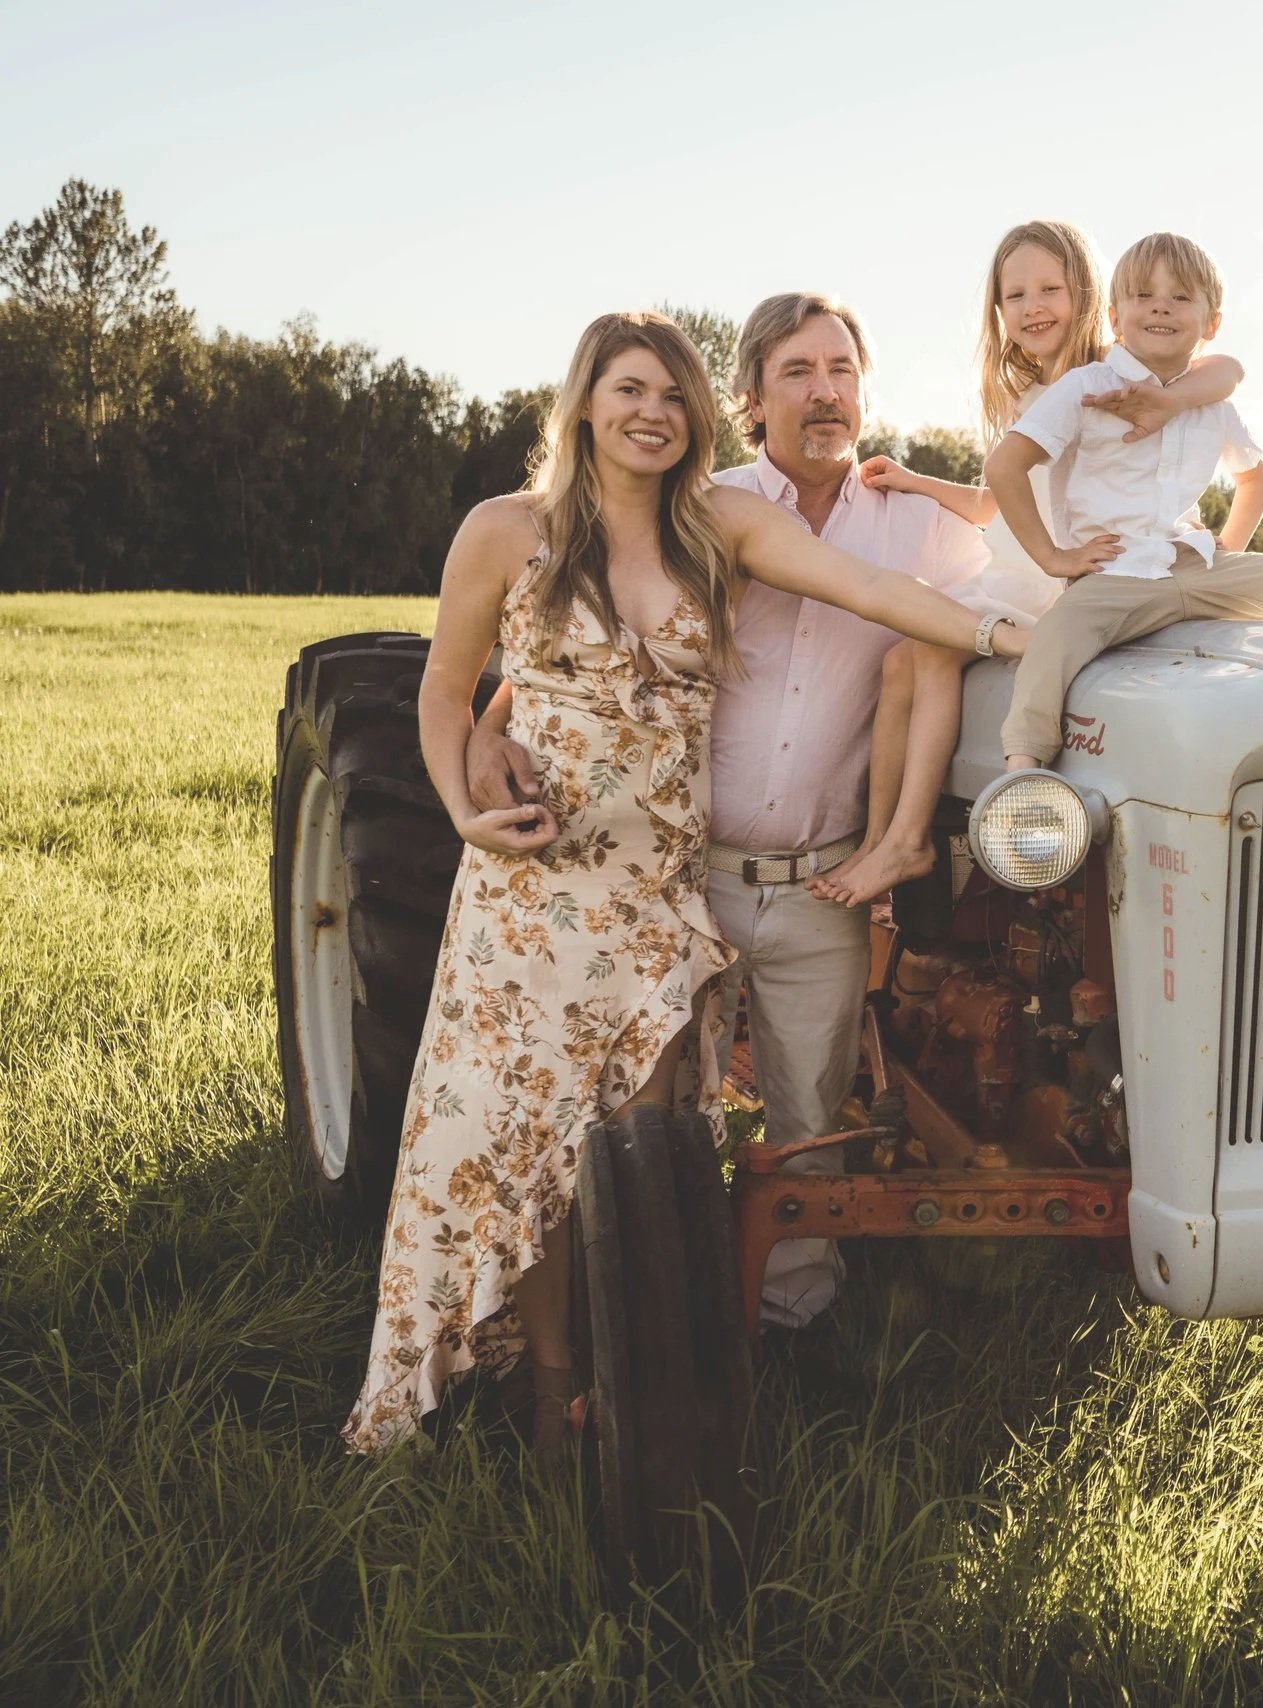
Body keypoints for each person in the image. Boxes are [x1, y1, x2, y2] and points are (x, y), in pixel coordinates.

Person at [343, 310, 1023, 1456]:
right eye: (628, 390)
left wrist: (1006, 638)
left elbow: (866, 587)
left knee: (642, 1142)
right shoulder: (504, 532)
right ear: (585, 403)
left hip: (661, 895)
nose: (651, 413)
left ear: (699, 417)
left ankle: (641, 1371)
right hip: (538, 894)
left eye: (671, 396)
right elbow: (447, 687)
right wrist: (467, 806)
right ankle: (556, 1388)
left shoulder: (718, 527)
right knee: (534, 1149)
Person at [470, 292, 993, 1334]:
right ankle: (655, 1317)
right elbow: (583, 647)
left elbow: (1001, 591)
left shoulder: (920, 530)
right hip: (681, 873)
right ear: (750, 399)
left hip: (821, 880)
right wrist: (491, 723)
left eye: (842, 369)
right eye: (798, 371)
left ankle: (794, 1319)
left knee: (811, 1119)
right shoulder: (696, 510)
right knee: (658, 1111)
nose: (826, 391)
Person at [819, 219, 1243, 904]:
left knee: (929, 652)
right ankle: (878, 839)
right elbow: (1002, 501)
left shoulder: (1106, 379)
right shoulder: (1038, 394)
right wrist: (917, 482)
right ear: (998, 311)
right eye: (1015, 295)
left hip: (1065, 583)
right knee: (899, 658)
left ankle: (906, 844)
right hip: (1023, 570)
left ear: (1088, 296)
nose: (1033, 306)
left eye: (1051, 288)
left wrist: (1168, 401)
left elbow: (1223, 370)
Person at [988, 232, 1263, 770]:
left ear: (1211, 321)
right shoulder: (1088, 385)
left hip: (1195, 563)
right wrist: (1055, 558)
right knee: (1054, 639)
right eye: (1144, 295)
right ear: (1114, 315)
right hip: (1115, 573)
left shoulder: (1207, 400)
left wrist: (1230, 549)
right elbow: (1004, 467)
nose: (1160, 307)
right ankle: (1023, 769)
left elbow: (1254, 480)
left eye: (1180, 297)